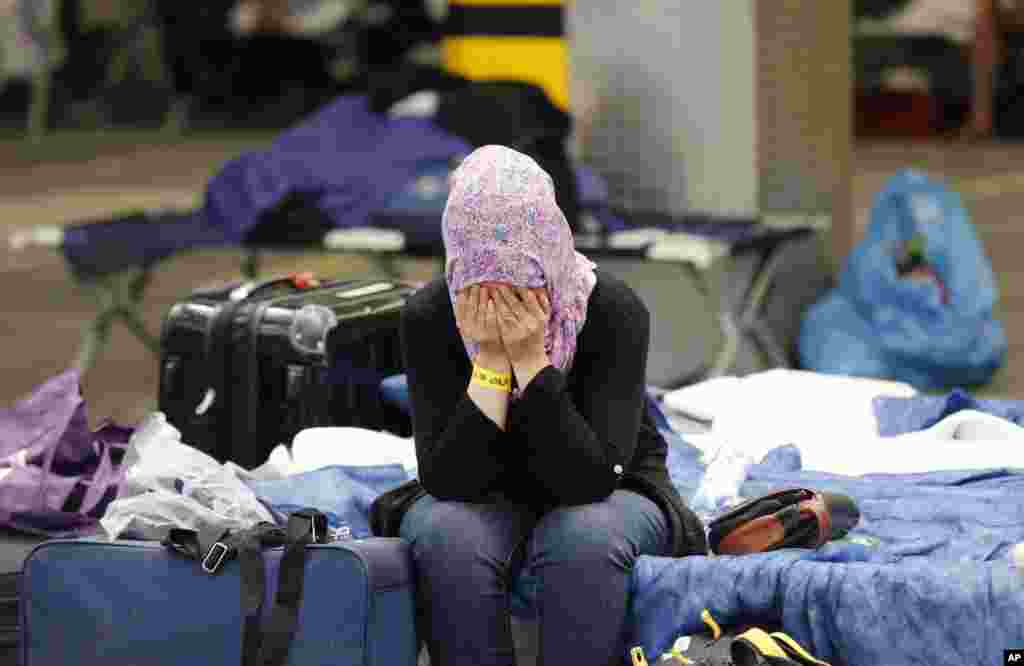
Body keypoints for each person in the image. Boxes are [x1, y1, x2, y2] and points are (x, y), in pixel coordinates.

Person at [389, 145, 707, 666]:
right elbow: (449, 481)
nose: (500, 301)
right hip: (485, 489)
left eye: (521, 282)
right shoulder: (432, 314)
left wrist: (533, 365)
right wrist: (491, 364)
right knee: (447, 535)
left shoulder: (610, 309)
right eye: (482, 282)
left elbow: (588, 480)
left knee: (581, 537)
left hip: (610, 484)